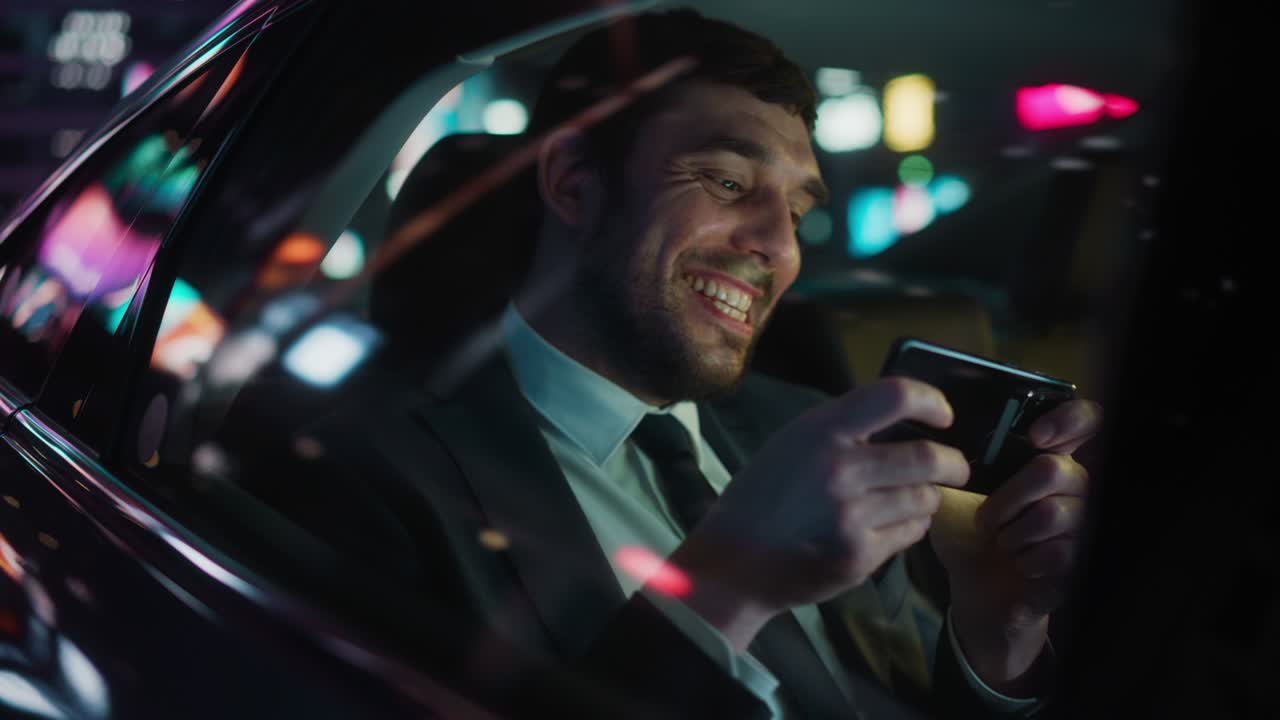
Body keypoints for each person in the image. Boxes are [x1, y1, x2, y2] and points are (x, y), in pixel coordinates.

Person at [234, 9, 1102, 718]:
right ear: (575, 183)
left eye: (798, 212)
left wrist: (999, 627)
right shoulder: (353, 477)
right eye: (727, 183)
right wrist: (728, 581)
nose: (778, 248)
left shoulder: (804, 427)